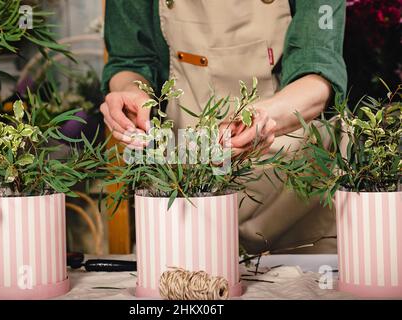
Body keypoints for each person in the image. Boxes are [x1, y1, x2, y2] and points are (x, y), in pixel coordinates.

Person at [100, 0, 347, 254]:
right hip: (186, 181)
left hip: (295, 187)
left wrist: (260, 117)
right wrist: (133, 94)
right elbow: (129, 60)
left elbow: (319, 70)